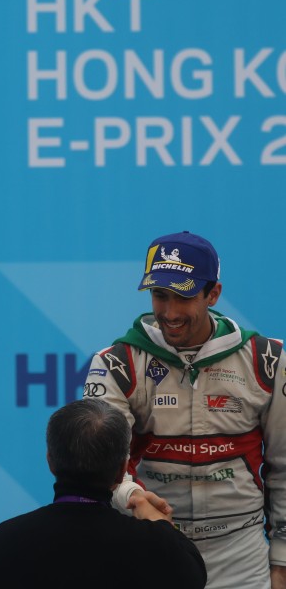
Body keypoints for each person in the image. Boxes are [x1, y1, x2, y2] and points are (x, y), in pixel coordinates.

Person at [84, 231, 286, 589]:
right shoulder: (116, 363)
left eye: (184, 296)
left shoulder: (267, 360)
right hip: (151, 546)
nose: (170, 312)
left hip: (240, 555)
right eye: (160, 296)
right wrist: (133, 498)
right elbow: (101, 467)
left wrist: (282, 561)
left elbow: (284, 467)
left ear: (213, 294)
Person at [0, 399, 206, 588]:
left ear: (50, 462)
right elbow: (193, 575)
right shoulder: (156, 546)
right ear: (122, 470)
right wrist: (158, 523)